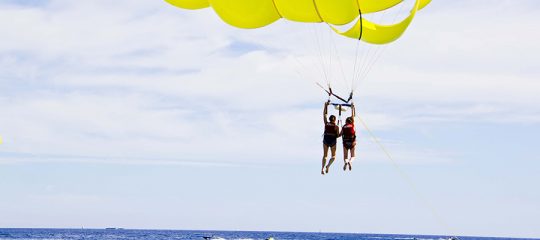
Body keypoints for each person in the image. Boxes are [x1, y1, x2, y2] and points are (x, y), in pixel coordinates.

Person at [322, 101, 340, 175]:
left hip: (326, 140)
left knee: (325, 155)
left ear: (329, 119)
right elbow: (338, 135)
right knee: (333, 156)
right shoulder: (336, 127)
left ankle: (322, 168)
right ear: (335, 120)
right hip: (332, 141)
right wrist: (341, 133)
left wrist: (325, 106)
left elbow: (324, 114)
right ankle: (328, 166)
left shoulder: (326, 123)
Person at [340, 103, 356, 171]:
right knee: (352, 156)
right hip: (352, 142)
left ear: (346, 121)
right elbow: (352, 116)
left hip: (345, 143)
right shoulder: (352, 125)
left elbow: (339, 135)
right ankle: (350, 161)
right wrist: (352, 108)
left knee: (345, 156)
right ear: (351, 121)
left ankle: (346, 162)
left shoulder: (343, 127)